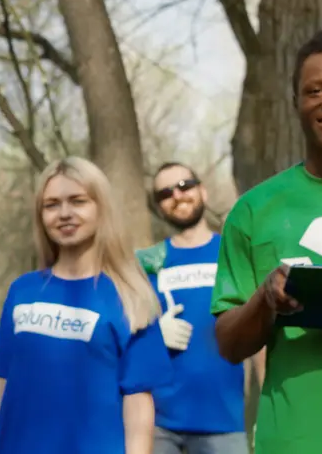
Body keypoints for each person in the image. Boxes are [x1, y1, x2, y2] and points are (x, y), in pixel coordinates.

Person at [212, 29, 322, 454]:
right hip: (294, 441)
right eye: (316, 90)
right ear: (295, 101)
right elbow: (229, 345)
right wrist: (265, 299)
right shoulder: (254, 211)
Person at [0, 156, 172, 454]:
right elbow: (0, 385)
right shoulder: (23, 290)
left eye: (78, 201)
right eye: (51, 204)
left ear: (101, 208)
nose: (64, 213)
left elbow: (138, 404)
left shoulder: (132, 297)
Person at [137, 162, 249, 454]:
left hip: (225, 422)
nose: (177, 195)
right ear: (159, 207)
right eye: (165, 192)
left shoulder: (232, 254)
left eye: (185, 186)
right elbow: (121, 339)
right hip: (158, 424)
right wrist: (152, 337)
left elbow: (259, 335)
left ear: (203, 191)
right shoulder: (148, 263)